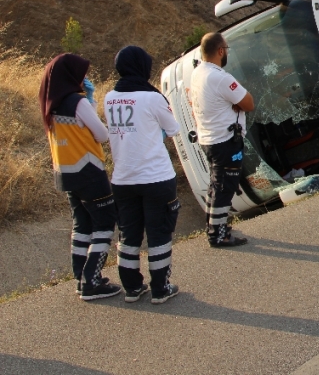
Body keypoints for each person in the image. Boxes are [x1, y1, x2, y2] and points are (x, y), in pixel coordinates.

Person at [38, 54, 120, 301]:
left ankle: (80, 278)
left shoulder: (51, 107)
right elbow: (102, 135)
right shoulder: (78, 102)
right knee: (105, 223)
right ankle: (92, 281)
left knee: (82, 225)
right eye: (82, 73)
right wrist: (90, 102)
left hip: (66, 173)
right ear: (72, 75)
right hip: (90, 171)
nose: (85, 78)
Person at [106, 46, 182, 304]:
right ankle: (160, 288)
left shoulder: (109, 98)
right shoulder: (152, 98)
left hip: (123, 179)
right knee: (159, 233)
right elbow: (173, 129)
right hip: (155, 177)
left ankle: (131, 288)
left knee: (129, 234)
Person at [191, 32, 255, 248]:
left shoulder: (198, 73)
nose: (226, 52)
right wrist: (234, 104)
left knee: (216, 185)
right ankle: (218, 235)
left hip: (208, 139)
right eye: (226, 49)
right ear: (220, 51)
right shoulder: (220, 77)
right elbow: (248, 103)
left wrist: (231, 103)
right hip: (224, 140)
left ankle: (214, 226)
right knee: (224, 187)